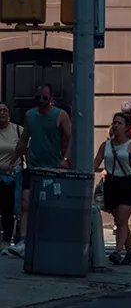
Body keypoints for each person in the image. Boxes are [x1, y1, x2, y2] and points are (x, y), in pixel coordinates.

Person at [17, 84, 72, 254]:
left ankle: (51, 237)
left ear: (51, 97)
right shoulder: (30, 115)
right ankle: (23, 239)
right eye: (38, 97)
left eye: (45, 98)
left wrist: (65, 159)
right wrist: (13, 160)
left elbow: (71, 137)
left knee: (51, 204)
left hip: (53, 167)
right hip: (33, 165)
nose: (41, 101)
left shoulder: (60, 115)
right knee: (25, 203)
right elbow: (24, 138)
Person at [96, 111, 131, 265]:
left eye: (120, 123)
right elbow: (95, 163)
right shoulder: (105, 146)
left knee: (121, 220)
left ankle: (117, 252)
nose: (116, 126)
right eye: (115, 123)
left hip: (127, 183)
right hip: (111, 184)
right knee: (120, 221)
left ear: (126, 127)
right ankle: (129, 253)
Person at [0, 105, 24, 253]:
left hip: (12, 175)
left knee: (8, 208)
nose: (2, 113)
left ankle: (7, 240)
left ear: (9, 113)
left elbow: (26, 150)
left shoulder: (18, 130)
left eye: (5, 110)